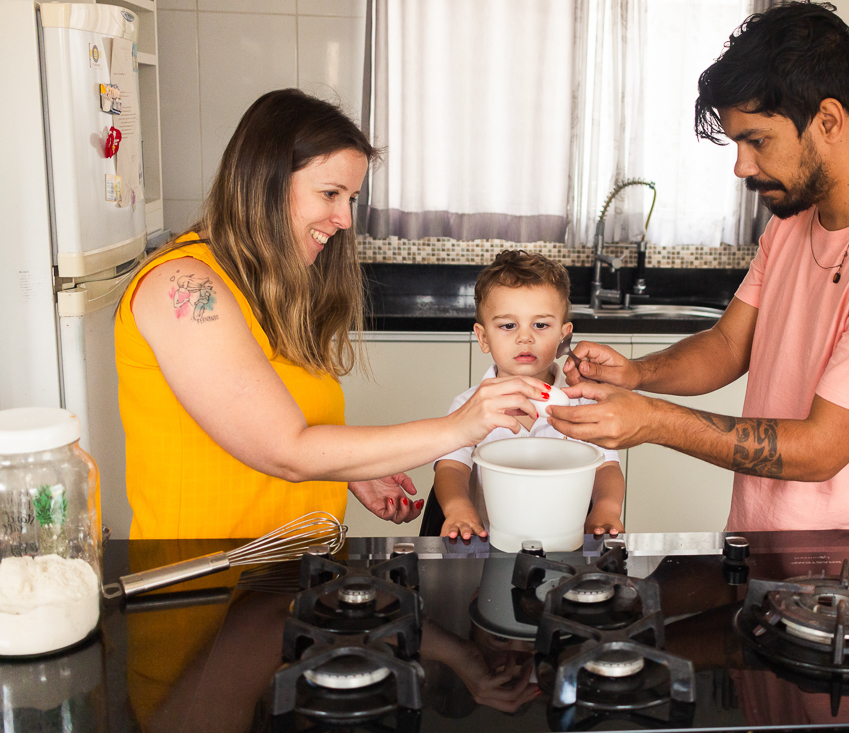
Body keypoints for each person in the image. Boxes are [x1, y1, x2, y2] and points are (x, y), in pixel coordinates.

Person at [549, 1, 849, 566]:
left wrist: (652, 420)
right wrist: (638, 374)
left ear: (828, 121)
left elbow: (822, 449)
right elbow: (730, 345)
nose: (742, 168)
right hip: (762, 548)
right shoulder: (794, 220)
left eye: (757, 141)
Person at [115, 89, 546, 539]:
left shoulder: (275, 281)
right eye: (329, 193)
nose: (343, 218)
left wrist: (349, 468)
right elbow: (286, 450)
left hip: (292, 574)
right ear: (267, 181)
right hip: (205, 588)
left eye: (351, 199)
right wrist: (461, 426)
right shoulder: (182, 287)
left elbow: (278, 422)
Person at [432, 250, 625, 540]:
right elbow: (451, 467)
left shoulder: (583, 401)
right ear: (483, 338)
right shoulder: (468, 405)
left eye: (541, 325)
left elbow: (607, 467)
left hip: (566, 544)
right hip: (492, 544)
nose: (525, 337)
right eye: (508, 325)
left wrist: (607, 509)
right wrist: (458, 509)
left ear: (563, 335)